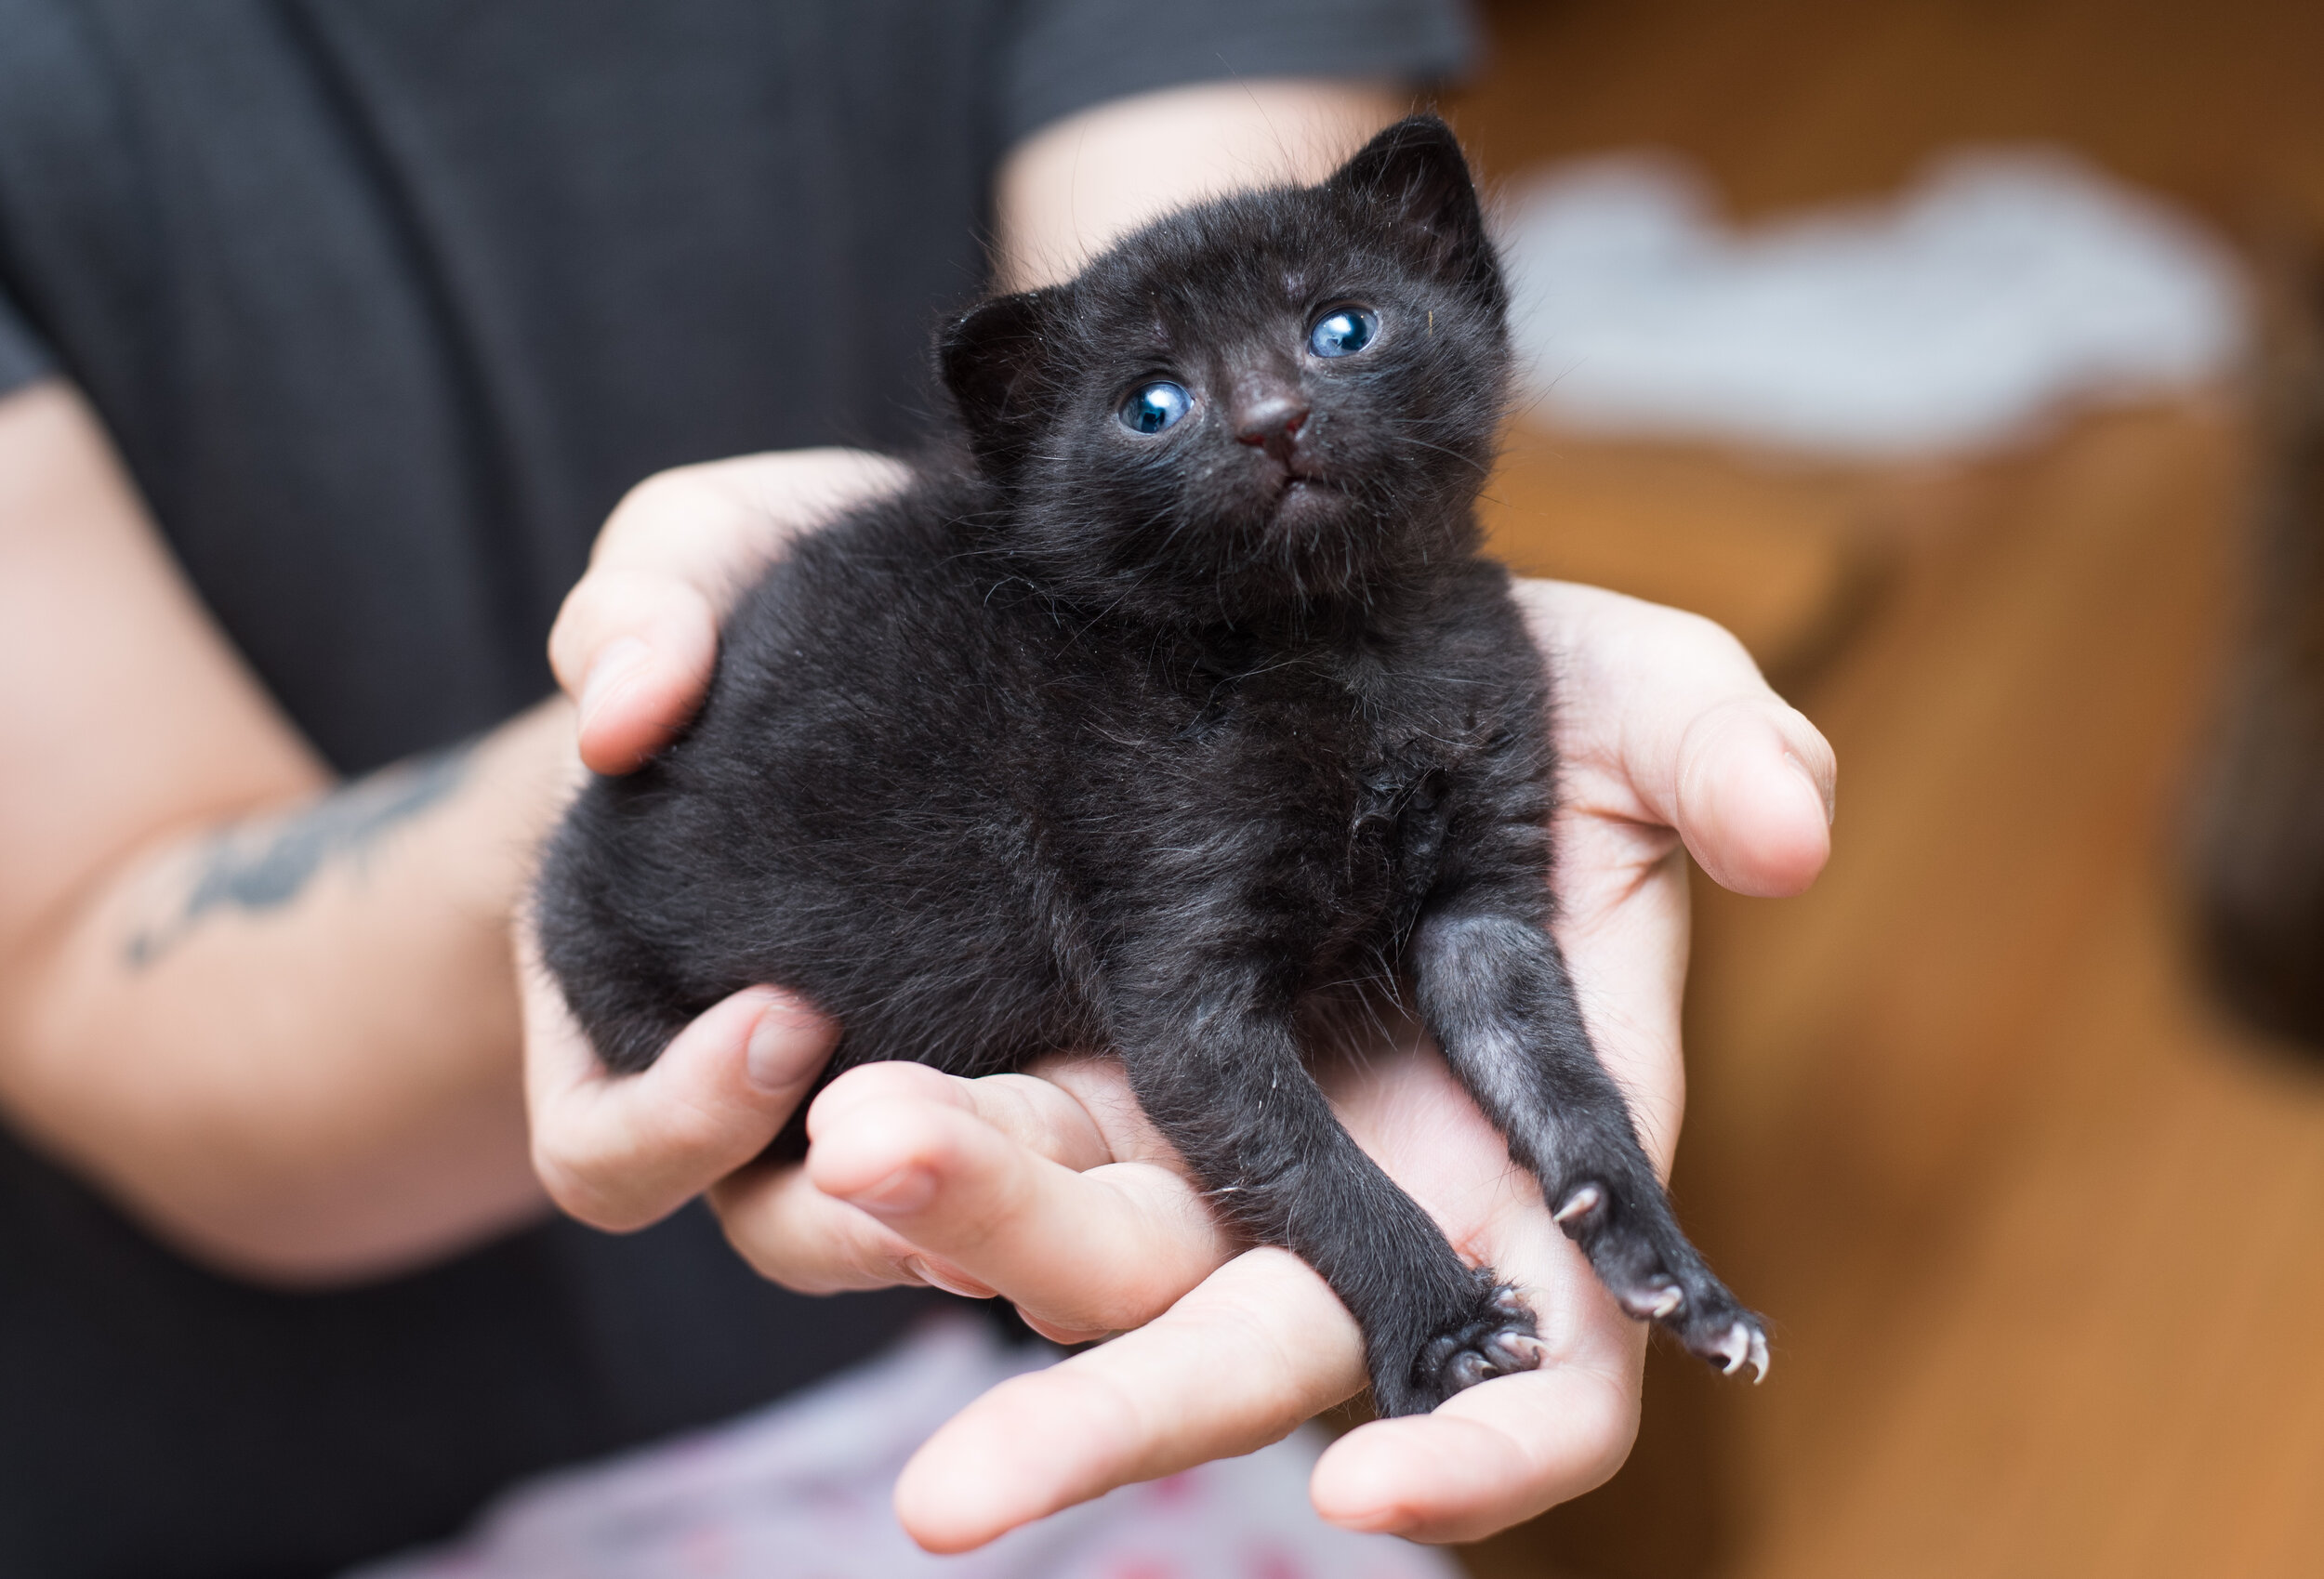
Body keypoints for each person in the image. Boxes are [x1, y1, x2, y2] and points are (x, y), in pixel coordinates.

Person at [0, 4, 1836, 1574]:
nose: (1275, 408)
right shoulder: (1121, 706)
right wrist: (1412, 1295)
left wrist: (1610, 1202)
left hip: (952, 1336)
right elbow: (80, 937)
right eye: (1159, 408)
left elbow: (1478, 936)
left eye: (1336, 335)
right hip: (261, 1459)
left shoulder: (1439, 652)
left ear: (1462, 295)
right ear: (1035, 477)